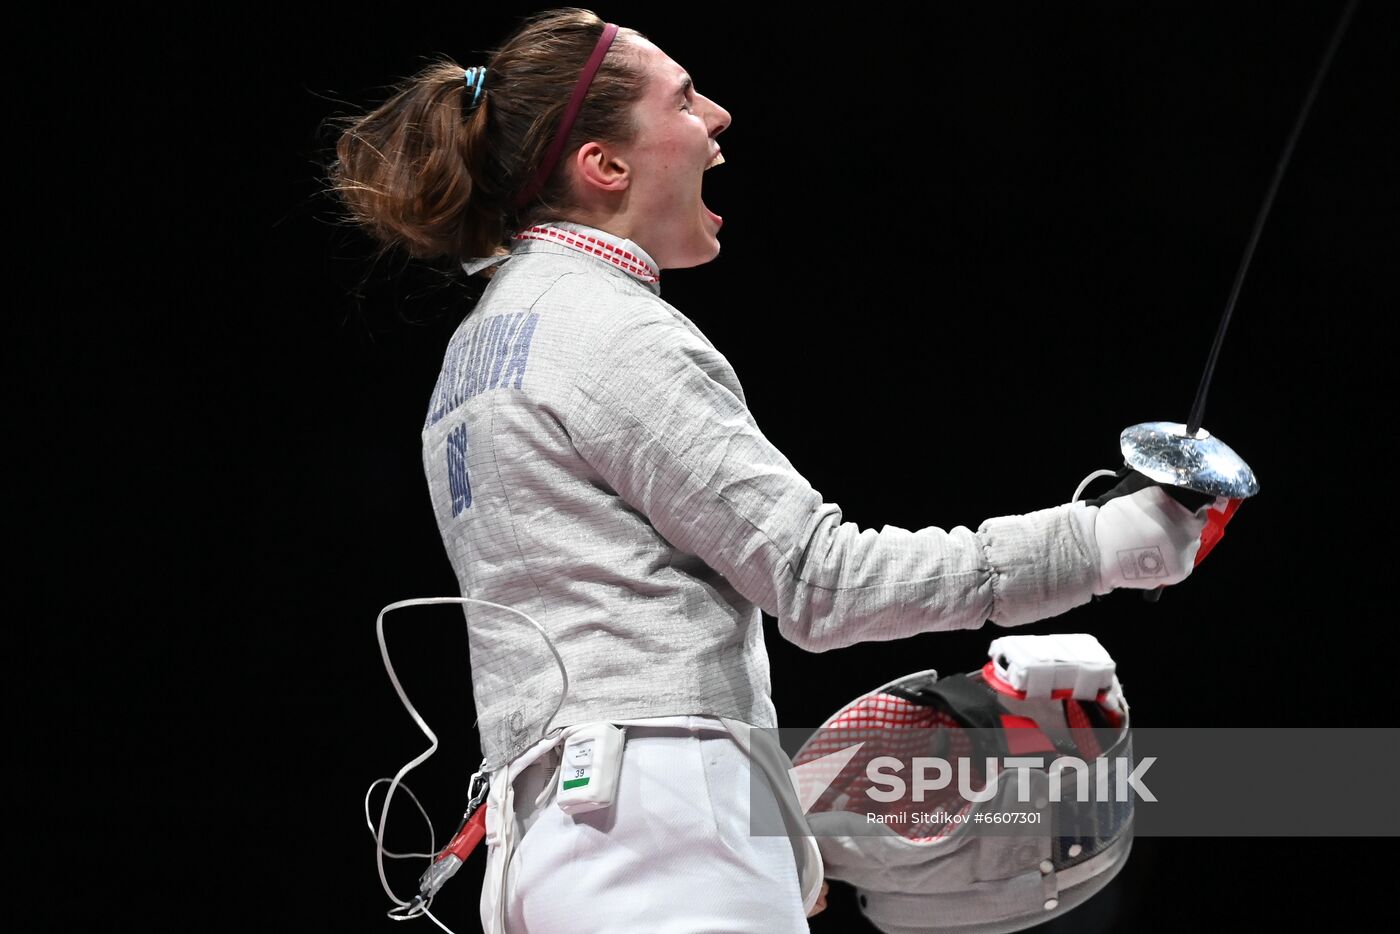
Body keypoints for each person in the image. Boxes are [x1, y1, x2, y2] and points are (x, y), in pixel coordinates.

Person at [328, 8, 1213, 932]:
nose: (717, 117)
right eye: (683, 99)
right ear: (606, 166)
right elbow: (818, 581)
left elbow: (617, 644)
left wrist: (765, 834)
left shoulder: (480, 348)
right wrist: (1103, 543)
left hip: (548, 851)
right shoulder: (607, 329)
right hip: (654, 834)